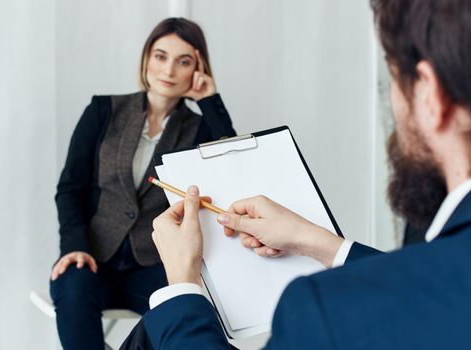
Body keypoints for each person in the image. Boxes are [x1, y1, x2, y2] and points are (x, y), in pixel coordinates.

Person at [120, 0, 471, 349]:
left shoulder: (320, 310)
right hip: (110, 257)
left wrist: (182, 284)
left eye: (394, 79)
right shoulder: (108, 112)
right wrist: (316, 240)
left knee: (152, 332)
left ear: (430, 94)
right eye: (160, 56)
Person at [49, 17, 236, 350]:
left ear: (198, 69)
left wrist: (210, 100)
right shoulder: (102, 110)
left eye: (184, 61)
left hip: (153, 265)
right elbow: (70, 189)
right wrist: (74, 246)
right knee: (72, 284)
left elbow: (230, 165)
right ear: (147, 58)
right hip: (94, 259)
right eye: (160, 56)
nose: (168, 70)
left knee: (187, 312)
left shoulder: (199, 129)